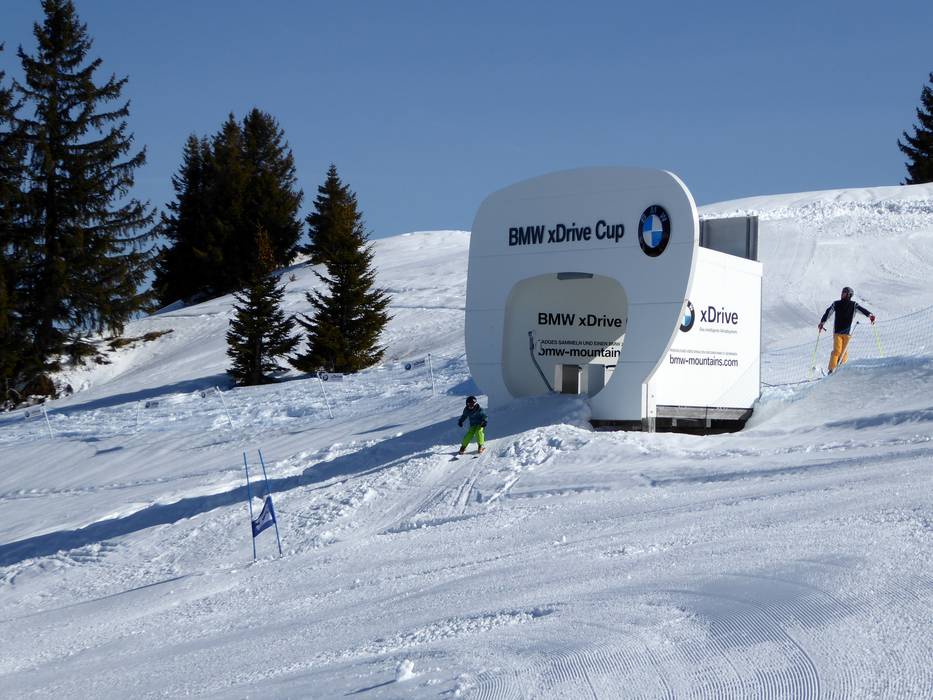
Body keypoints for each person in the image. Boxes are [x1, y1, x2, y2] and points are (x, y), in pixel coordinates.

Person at [818, 286, 875, 373]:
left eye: (844, 292)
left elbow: (862, 310)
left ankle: (842, 370)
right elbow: (828, 312)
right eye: (842, 292)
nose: (842, 294)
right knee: (837, 351)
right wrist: (822, 322)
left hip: (848, 333)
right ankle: (831, 370)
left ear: (849, 295)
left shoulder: (853, 305)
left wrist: (870, 315)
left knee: (844, 352)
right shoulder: (836, 304)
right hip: (837, 332)